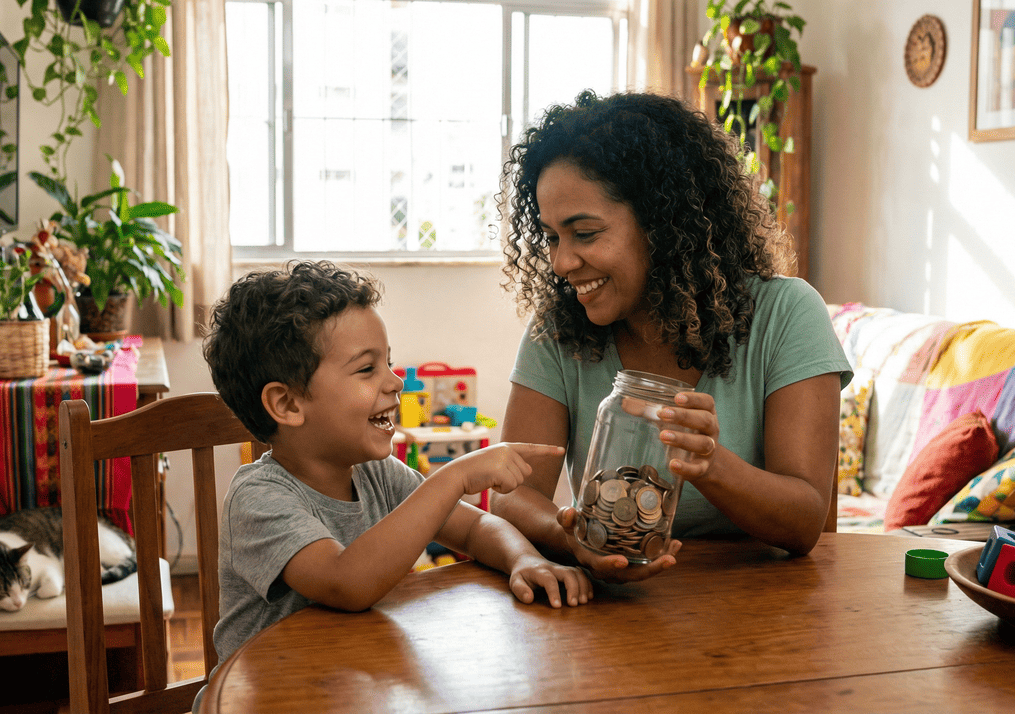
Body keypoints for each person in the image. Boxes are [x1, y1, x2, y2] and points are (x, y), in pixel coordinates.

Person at [491, 90, 853, 583]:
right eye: (553, 236)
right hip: (611, 611)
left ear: (662, 222)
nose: (561, 263)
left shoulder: (787, 314)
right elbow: (511, 492)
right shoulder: (557, 329)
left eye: (586, 233)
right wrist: (568, 538)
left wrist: (711, 464)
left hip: (762, 605)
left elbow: (806, 521)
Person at [201, 260, 593, 672]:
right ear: (288, 404)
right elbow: (347, 582)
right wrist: (454, 477)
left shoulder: (376, 474)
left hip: (347, 686)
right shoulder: (258, 499)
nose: (394, 382)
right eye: (367, 369)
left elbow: (476, 527)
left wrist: (523, 559)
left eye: (388, 362)